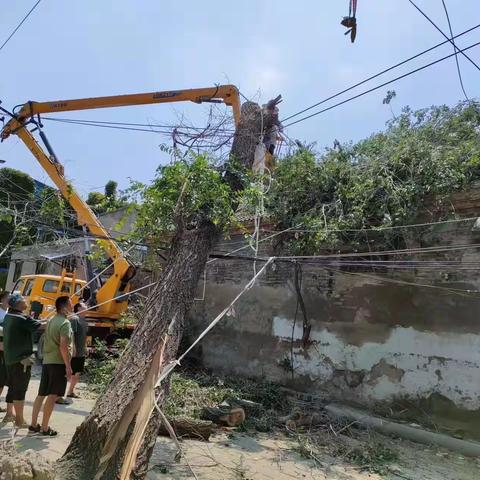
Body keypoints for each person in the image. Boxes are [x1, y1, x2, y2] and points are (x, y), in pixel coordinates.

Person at [30, 296, 73, 436]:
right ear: (64, 306)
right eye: (70, 304)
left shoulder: (51, 321)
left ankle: (33, 424)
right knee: (53, 395)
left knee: (41, 394)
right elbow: (63, 346)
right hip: (58, 363)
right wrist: (68, 366)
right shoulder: (65, 323)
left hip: (48, 361)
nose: (72, 306)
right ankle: (45, 427)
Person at [2, 293, 42, 427]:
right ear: (18, 304)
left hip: (10, 358)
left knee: (12, 387)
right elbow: (41, 326)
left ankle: (9, 414)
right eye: (24, 300)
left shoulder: (9, 316)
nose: (27, 302)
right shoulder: (22, 318)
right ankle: (19, 420)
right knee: (20, 389)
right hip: (21, 360)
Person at [57, 302, 88, 403]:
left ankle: (70, 391)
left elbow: (85, 336)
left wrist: (85, 347)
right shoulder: (74, 319)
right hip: (74, 351)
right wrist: (73, 348)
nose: (87, 308)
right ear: (78, 308)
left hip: (81, 351)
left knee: (77, 373)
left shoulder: (84, 321)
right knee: (68, 373)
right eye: (84, 306)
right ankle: (58, 394)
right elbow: (71, 334)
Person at [0, 291, 10, 414]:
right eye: (8, 298)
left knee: (2, 379)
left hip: (6, 350)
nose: (10, 300)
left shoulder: (9, 313)